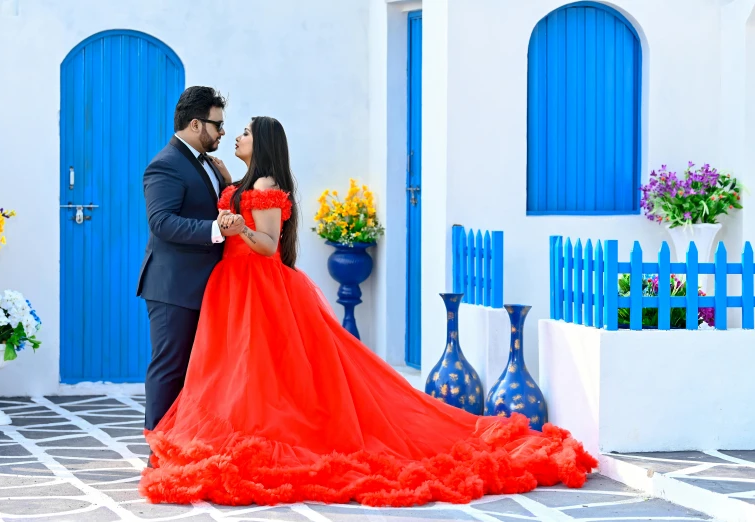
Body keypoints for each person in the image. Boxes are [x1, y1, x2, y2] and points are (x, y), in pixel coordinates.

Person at [139, 116, 597, 506]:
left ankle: (260, 438)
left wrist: (238, 226)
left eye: (244, 132)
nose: (236, 136)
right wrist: (226, 186)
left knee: (260, 371)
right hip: (232, 290)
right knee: (232, 371)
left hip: (258, 287)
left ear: (263, 144)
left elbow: (268, 245)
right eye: (231, 129)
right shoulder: (235, 180)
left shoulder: (265, 184)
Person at [136, 87, 244, 467]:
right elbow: (161, 223)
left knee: (199, 371)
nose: (223, 133)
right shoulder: (165, 164)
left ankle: (187, 444)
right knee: (170, 368)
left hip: (206, 287)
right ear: (195, 123)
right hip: (173, 287)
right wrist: (216, 230)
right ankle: (159, 453)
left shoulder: (208, 164)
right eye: (217, 125)